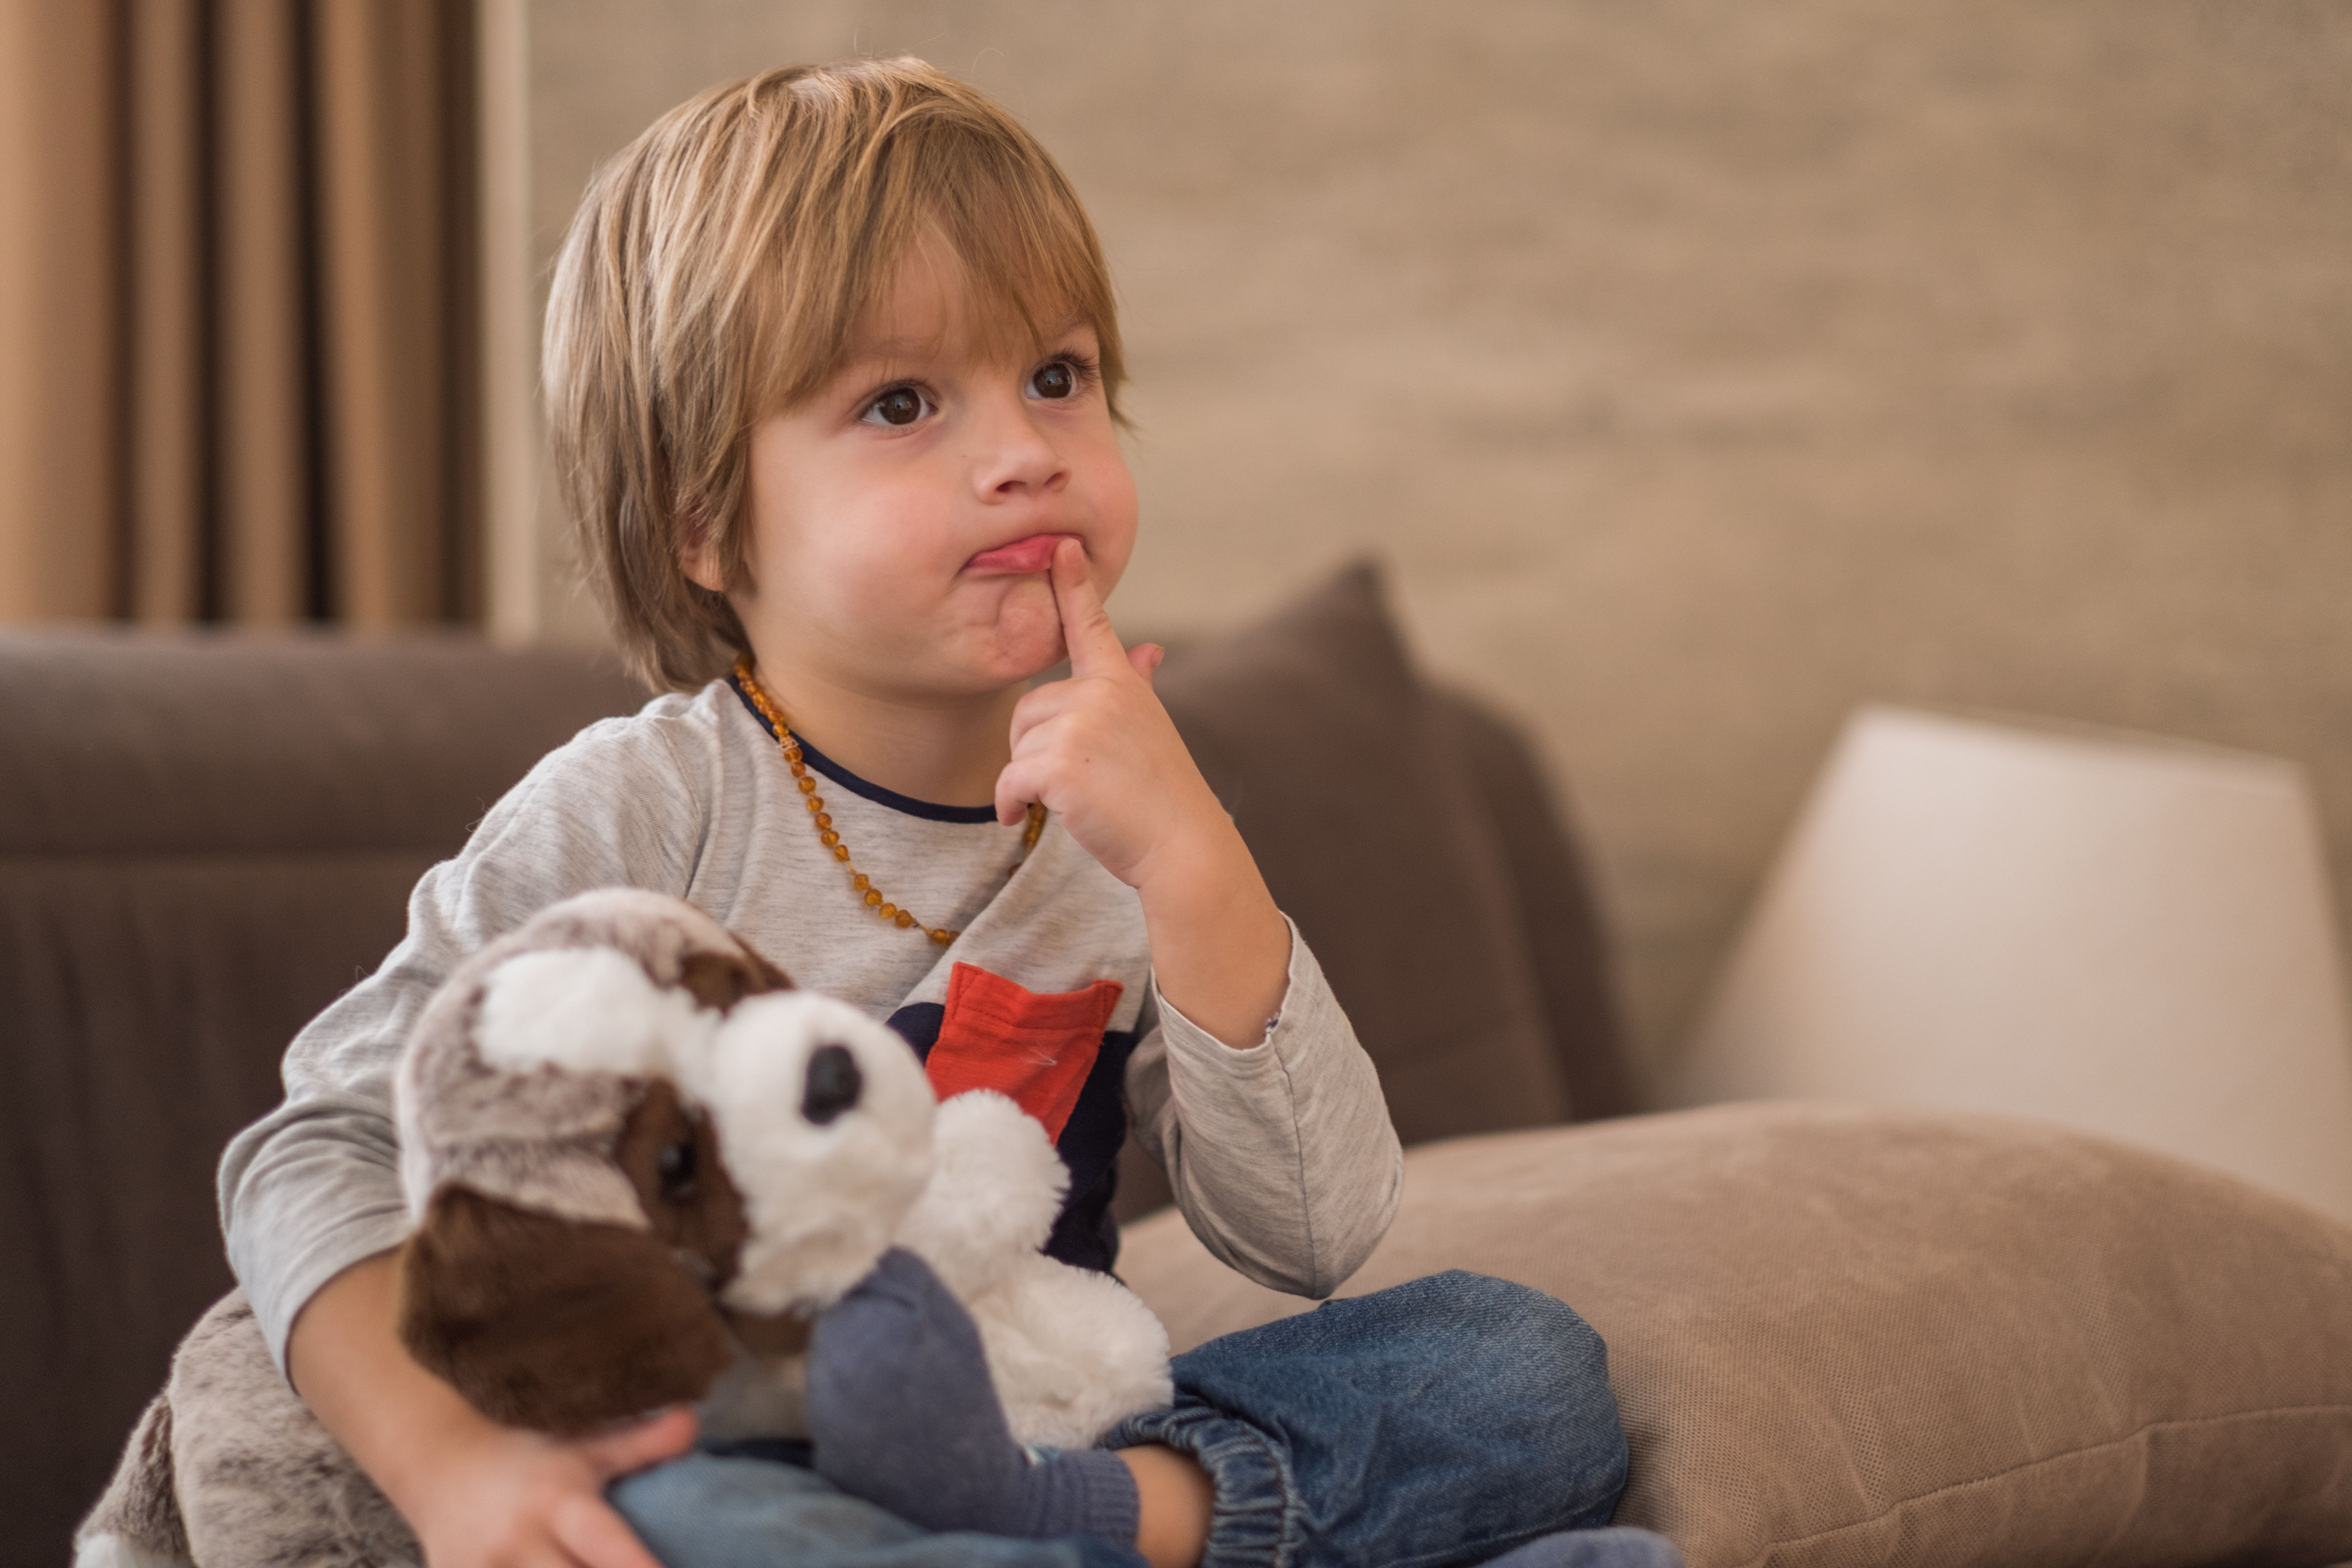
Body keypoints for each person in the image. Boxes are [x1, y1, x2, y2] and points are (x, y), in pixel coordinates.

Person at [216, 55, 1679, 1568]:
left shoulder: (1127, 818)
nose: (1025, 452)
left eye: (1059, 375)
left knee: (1524, 1375)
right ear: (704, 521)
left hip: (1037, 1443)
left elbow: (1311, 1238)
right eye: (902, 403)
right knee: (697, 1514)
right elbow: (308, 1152)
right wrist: (457, 1474)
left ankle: (1072, 1530)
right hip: (716, 1450)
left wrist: (1191, 860)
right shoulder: (645, 810)